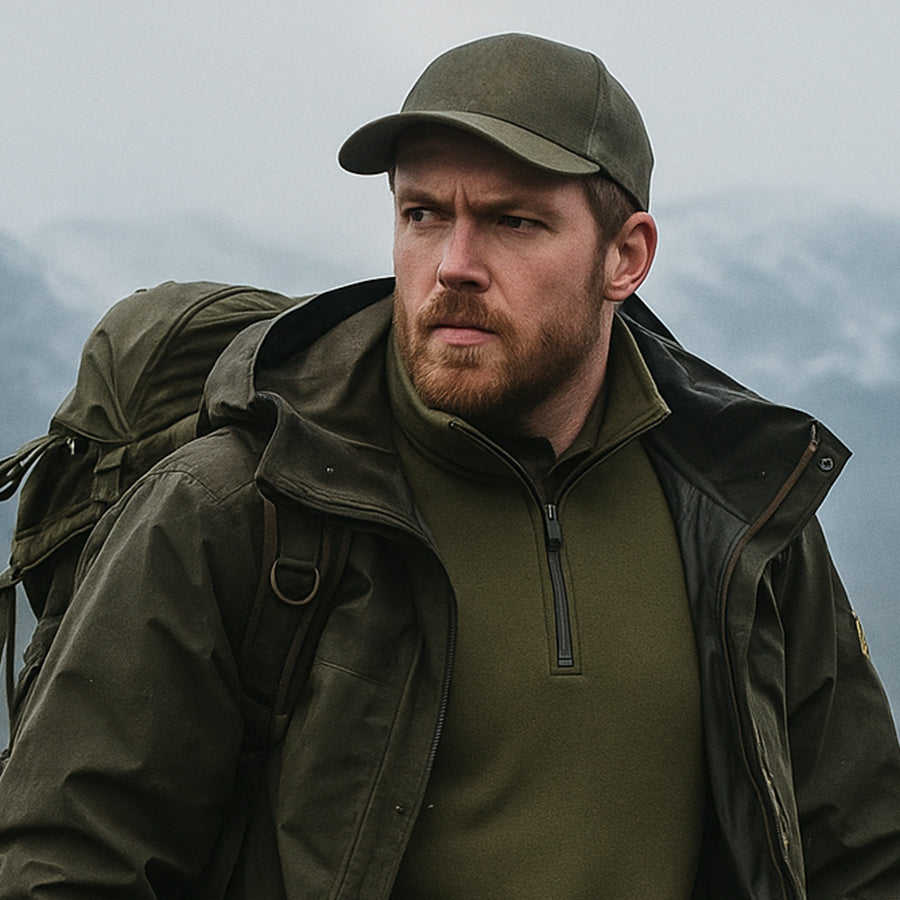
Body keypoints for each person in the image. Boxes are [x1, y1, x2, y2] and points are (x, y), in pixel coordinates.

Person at [0, 31, 898, 900]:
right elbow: (63, 864)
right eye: (423, 214)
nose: (454, 266)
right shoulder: (240, 504)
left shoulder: (737, 512)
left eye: (514, 222)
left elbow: (860, 852)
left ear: (626, 257)